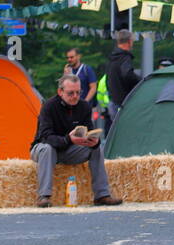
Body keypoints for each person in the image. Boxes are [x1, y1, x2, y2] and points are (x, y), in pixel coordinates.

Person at [31, 75, 122, 207]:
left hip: (69, 150)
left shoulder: (84, 106)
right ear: (60, 92)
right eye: (70, 93)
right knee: (47, 149)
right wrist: (68, 139)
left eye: (78, 92)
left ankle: (102, 195)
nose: (75, 96)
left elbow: (90, 130)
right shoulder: (49, 106)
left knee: (97, 149)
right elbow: (46, 137)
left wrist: (93, 142)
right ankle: (44, 196)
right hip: (44, 149)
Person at [105, 29, 142, 122]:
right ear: (129, 42)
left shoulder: (112, 58)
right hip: (124, 104)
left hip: (113, 102)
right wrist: (141, 81)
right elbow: (128, 75)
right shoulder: (125, 58)